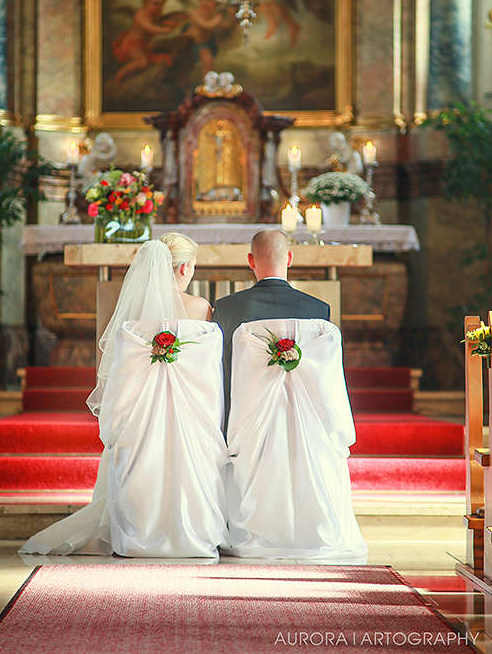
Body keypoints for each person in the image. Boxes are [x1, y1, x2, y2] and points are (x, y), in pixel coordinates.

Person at [19, 233, 220, 556]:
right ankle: (190, 533)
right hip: (190, 415)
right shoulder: (202, 310)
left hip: (141, 416)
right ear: (184, 269)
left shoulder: (132, 320)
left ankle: (137, 531)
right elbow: (210, 373)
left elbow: (122, 378)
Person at [212, 228, 330, 436]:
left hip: (245, 417)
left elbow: (221, 367)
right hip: (303, 418)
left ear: (250, 260)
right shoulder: (318, 309)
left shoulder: (227, 308)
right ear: (290, 259)